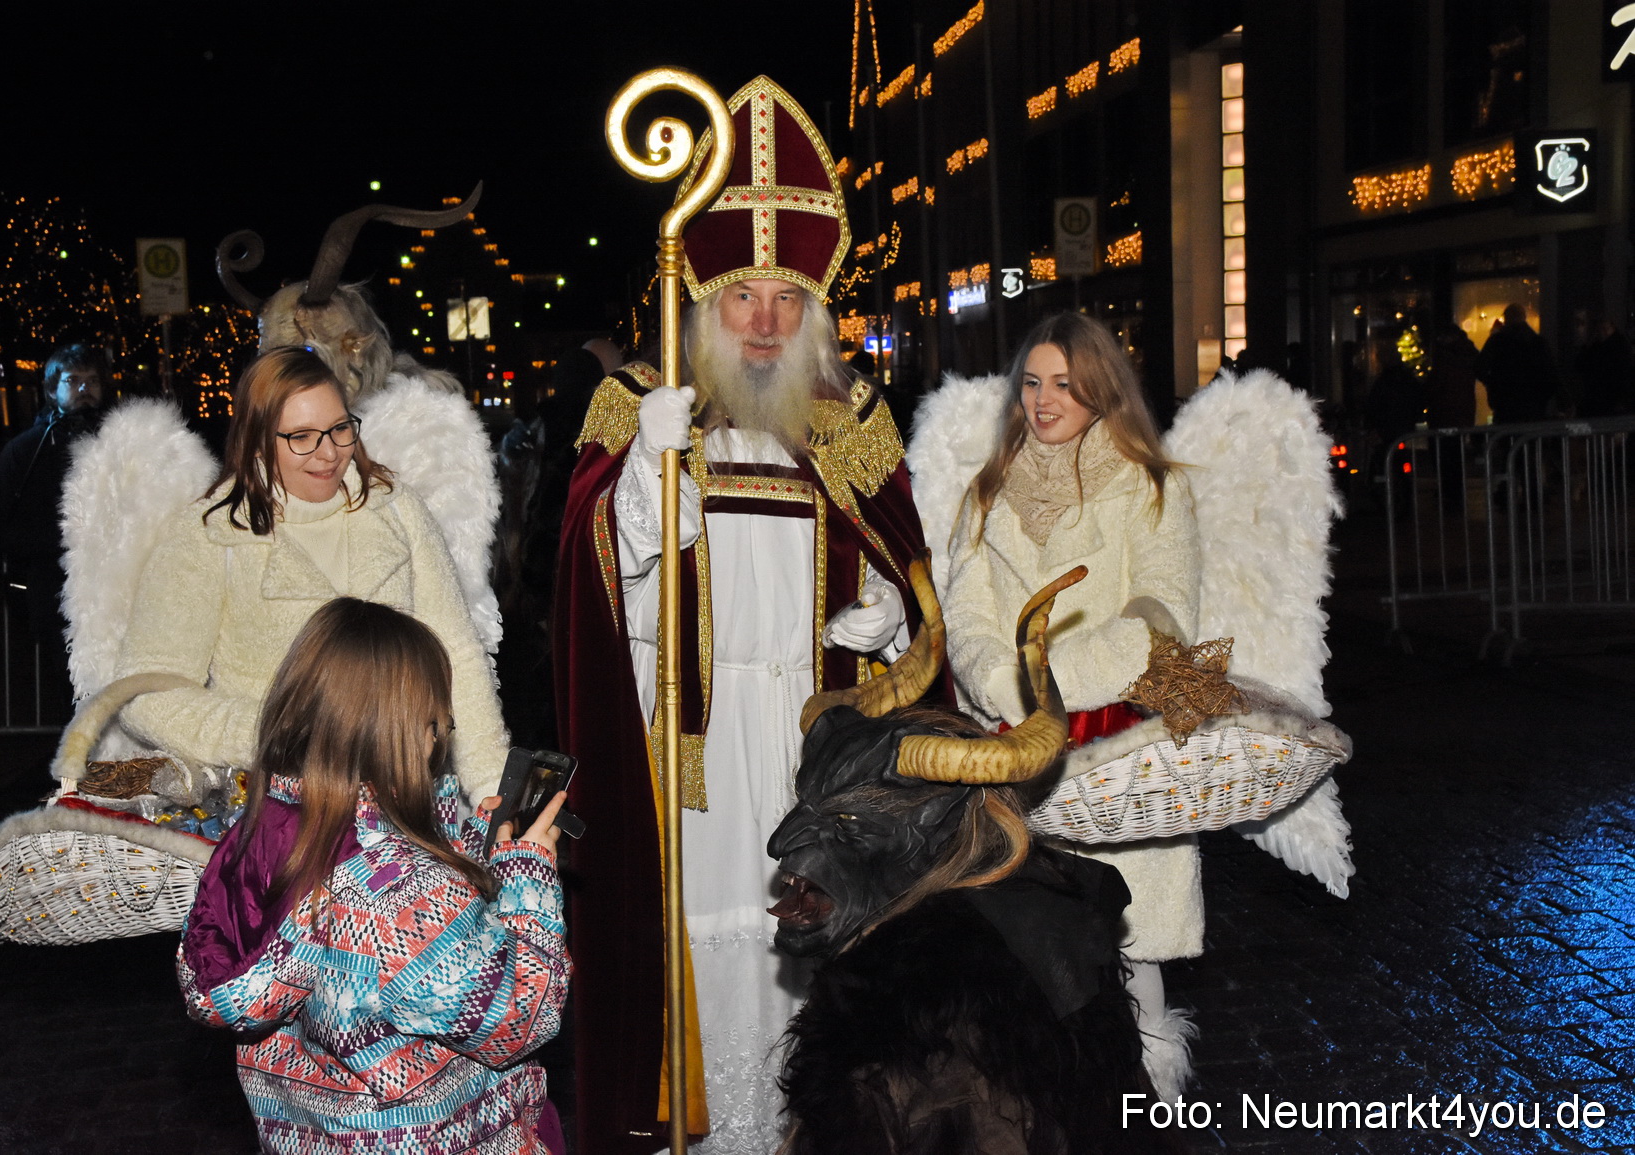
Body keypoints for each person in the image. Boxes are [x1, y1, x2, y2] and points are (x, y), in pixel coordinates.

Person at [553, 75, 934, 1153]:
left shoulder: (850, 416)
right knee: (714, 941)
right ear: (704, 305)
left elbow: (905, 565)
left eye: (785, 303)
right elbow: (592, 575)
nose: (764, 325)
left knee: (828, 944)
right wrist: (645, 477)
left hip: (817, 744)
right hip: (696, 752)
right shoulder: (641, 401)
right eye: (741, 299)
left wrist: (888, 621)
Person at [178, 597, 568, 1154]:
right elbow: (522, 1016)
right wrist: (528, 880)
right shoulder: (397, 899)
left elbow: (387, 930)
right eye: (437, 720)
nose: (445, 733)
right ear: (404, 732)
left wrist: (460, 852)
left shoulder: (263, 837)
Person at [934, 312, 1203, 1099]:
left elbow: (1163, 611)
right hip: (1011, 749)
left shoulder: (1152, 485)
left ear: (1100, 392)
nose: (1044, 401)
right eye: (1032, 382)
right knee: (1022, 947)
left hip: (1116, 746)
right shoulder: (987, 492)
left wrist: (1061, 679)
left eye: (1064, 385)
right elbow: (969, 615)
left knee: (1130, 950)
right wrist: (1003, 682)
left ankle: (1151, 1110)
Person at [113, 346, 510, 802]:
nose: (328, 453)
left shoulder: (395, 507)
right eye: (301, 436)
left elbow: (455, 653)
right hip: (276, 811)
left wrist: (491, 792)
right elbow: (144, 692)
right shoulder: (211, 535)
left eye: (340, 429)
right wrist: (286, 736)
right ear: (258, 437)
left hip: (402, 802)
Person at [0, 343, 106, 648]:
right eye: (72, 380)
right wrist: (69, 539)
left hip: (114, 596)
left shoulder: (120, 443)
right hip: (54, 595)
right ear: (52, 390)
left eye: (92, 381)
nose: (84, 388)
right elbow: (1, 529)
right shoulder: (26, 451)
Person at [1476, 303, 1556, 423]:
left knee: (1507, 437)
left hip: (1504, 404)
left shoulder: (1497, 342)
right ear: (1523, 317)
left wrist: (1492, 383)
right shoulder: (1537, 342)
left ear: (1507, 319)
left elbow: (1479, 368)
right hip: (1533, 404)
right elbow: (1550, 371)